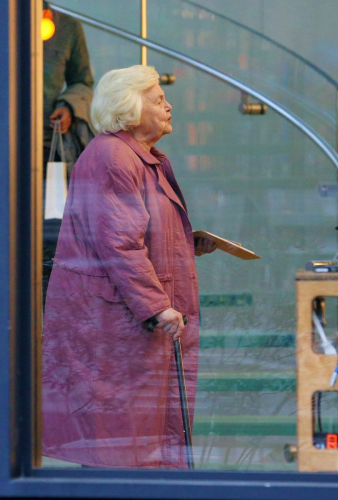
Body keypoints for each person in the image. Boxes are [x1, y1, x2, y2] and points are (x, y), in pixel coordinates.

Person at [42, 65, 216, 468]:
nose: (169, 106)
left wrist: (186, 244)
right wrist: (157, 306)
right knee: (121, 451)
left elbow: (129, 235)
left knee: (137, 448)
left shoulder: (135, 156)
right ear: (130, 107)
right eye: (158, 100)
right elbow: (118, 244)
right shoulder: (114, 157)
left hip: (130, 328)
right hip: (118, 331)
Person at [43, 2, 95, 304]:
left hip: (50, 149)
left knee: (52, 230)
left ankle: (49, 307)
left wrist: (68, 106)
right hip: (8, 146)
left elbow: (82, 81)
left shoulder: (66, 27)